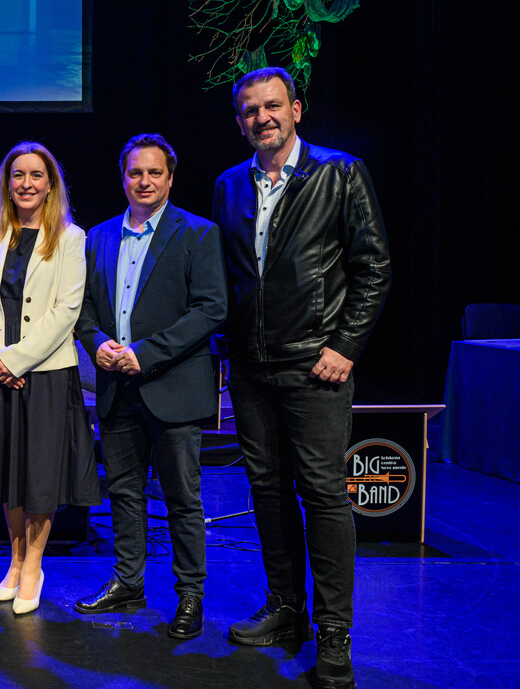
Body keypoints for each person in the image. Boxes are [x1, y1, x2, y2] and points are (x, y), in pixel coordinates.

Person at [213, 68, 390, 688]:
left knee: (322, 494)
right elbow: (230, 278)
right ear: (240, 120)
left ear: (295, 109)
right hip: (250, 367)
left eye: (272, 106)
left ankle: (335, 632)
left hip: (315, 365)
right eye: (249, 110)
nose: (261, 118)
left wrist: (345, 346)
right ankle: (287, 609)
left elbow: (374, 267)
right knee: (266, 490)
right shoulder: (229, 184)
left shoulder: (341, 172)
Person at [73, 134, 227, 639]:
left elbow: (211, 308)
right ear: (123, 178)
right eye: (135, 172)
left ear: (170, 178)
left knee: (182, 498)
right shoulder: (97, 237)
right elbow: (83, 308)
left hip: (173, 388)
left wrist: (147, 353)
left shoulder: (199, 233)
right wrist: (95, 341)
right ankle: (128, 583)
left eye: (154, 173)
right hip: (117, 387)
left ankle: (190, 595)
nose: (144, 181)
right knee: (123, 493)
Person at [0, 141, 99, 615]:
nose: (27, 183)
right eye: (18, 175)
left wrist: (18, 360)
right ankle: (14, 560)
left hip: (46, 373)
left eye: (37, 175)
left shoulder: (71, 237)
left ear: (50, 184)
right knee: (5, 471)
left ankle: (34, 564)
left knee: (39, 473)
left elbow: (67, 310)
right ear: (7, 182)